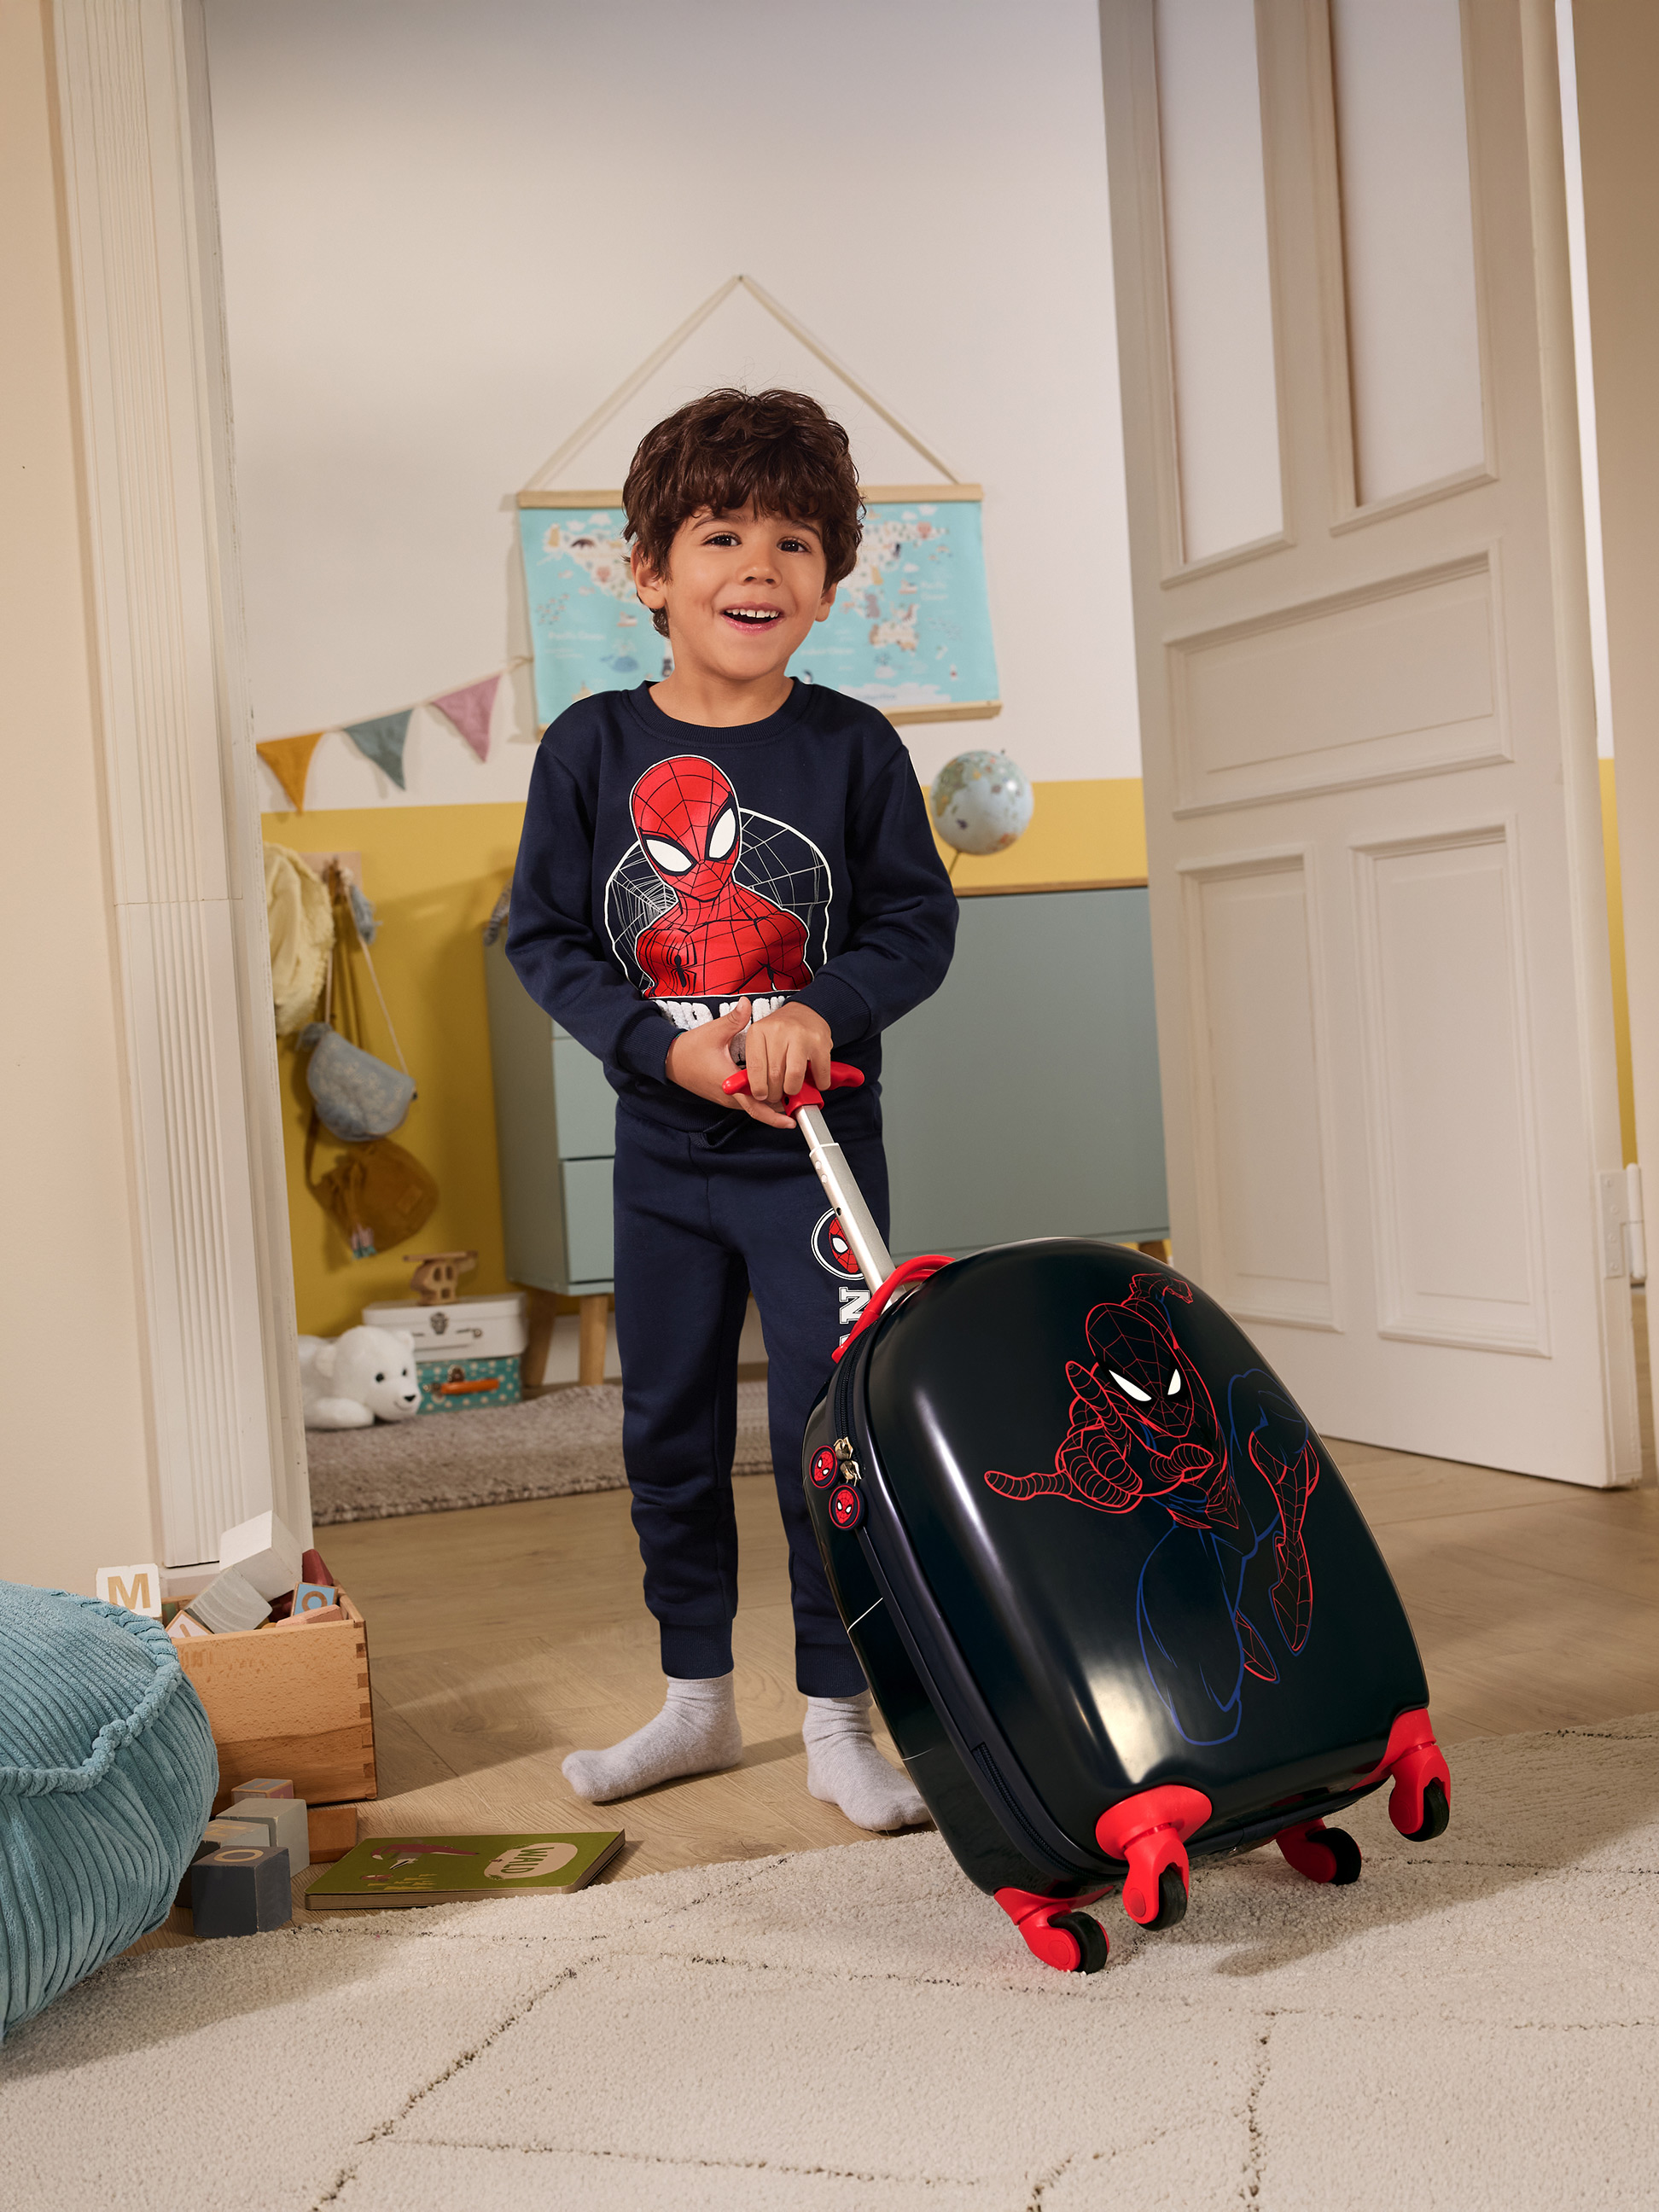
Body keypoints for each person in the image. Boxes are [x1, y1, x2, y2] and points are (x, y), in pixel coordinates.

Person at [507, 387, 958, 1829]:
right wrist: (660, 1048)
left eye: (793, 541)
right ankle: (696, 1703)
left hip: (817, 1168)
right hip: (664, 1164)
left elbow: (914, 926)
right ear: (649, 571)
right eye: (720, 535)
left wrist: (824, 1012)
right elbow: (548, 940)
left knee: (830, 1438)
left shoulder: (853, 751)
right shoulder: (587, 750)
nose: (757, 566)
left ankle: (839, 1719)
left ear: (830, 581)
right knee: (668, 1434)